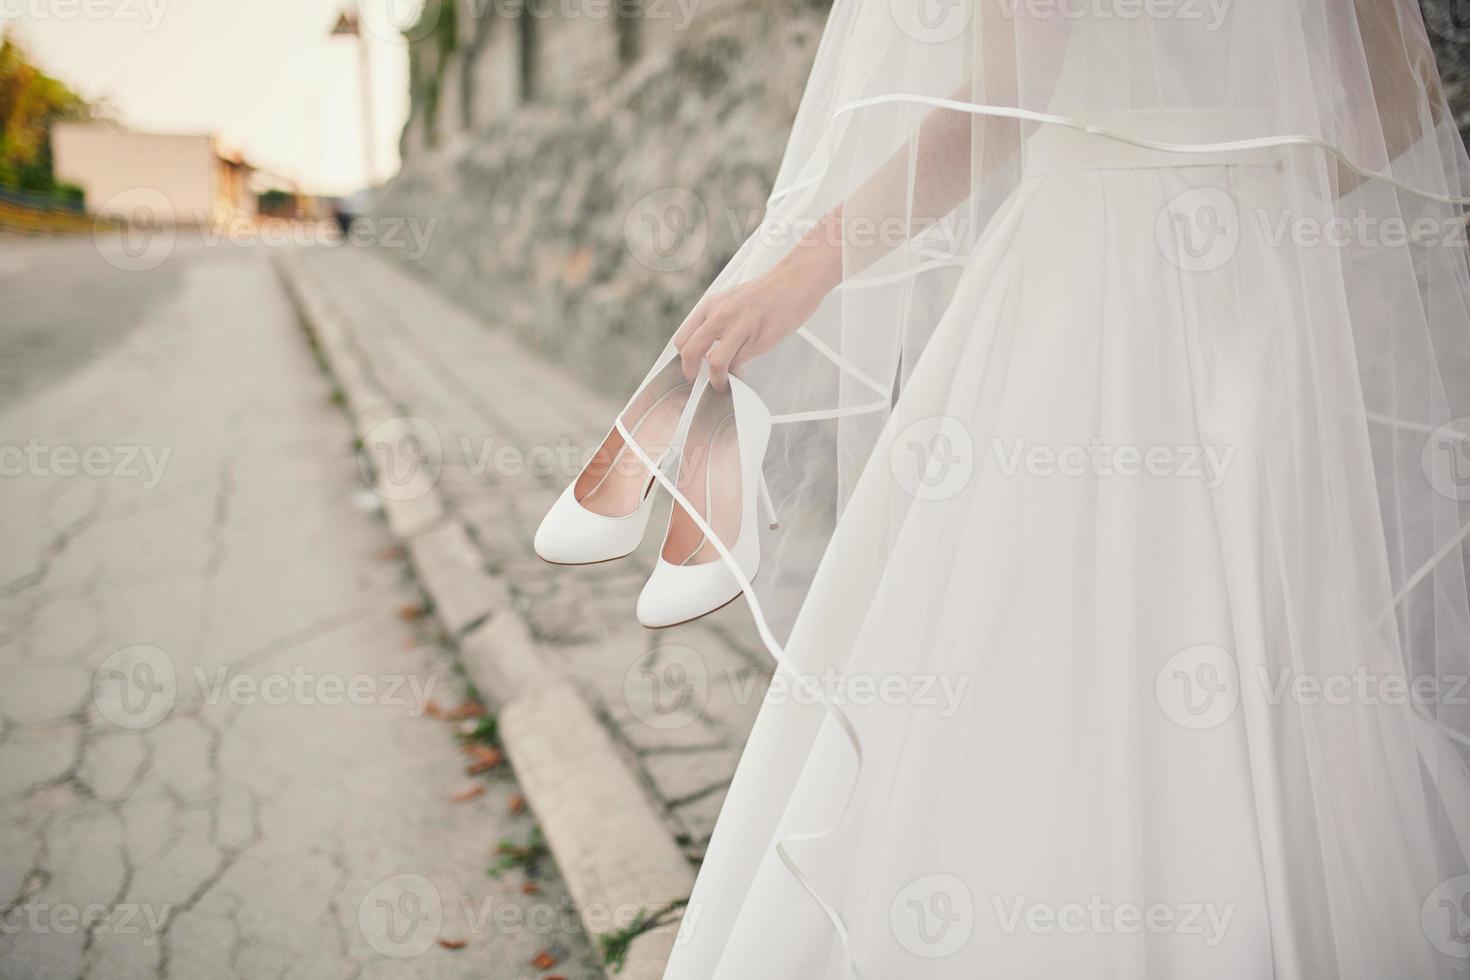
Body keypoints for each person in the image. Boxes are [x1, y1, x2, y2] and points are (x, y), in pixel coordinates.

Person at [537, 0, 1470, 975]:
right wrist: (1253, 192)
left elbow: (1000, 100)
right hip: (1267, 283)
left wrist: (802, 271)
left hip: (1095, 275)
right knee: (1276, 623)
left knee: (1039, 615)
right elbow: (1394, 113)